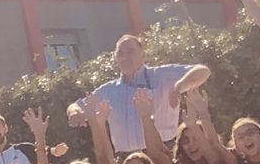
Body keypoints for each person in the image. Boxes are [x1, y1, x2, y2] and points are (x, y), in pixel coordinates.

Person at [68, 34, 211, 154]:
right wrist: (75, 113)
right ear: (116, 59)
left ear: (143, 56)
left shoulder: (162, 75)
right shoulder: (109, 90)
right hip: (127, 162)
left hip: (165, 153)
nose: (125, 57)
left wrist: (179, 87)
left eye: (131, 51)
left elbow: (203, 71)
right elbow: (76, 105)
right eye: (120, 53)